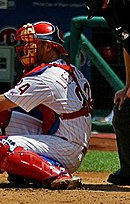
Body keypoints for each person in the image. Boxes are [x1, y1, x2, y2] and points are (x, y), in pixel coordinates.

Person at [0, 21, 93, 189]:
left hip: (65, 147)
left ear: (48, 47)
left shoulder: (47, 76)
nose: (27, 48)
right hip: (65, 136)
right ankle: (26, 173)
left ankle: (57, 174)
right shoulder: (70, 69)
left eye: (33, 43)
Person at [84, 0, 130, 185]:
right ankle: (129, 172)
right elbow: (128, 46)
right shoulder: (108, 9)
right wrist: (128, 85)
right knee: (124, 111)